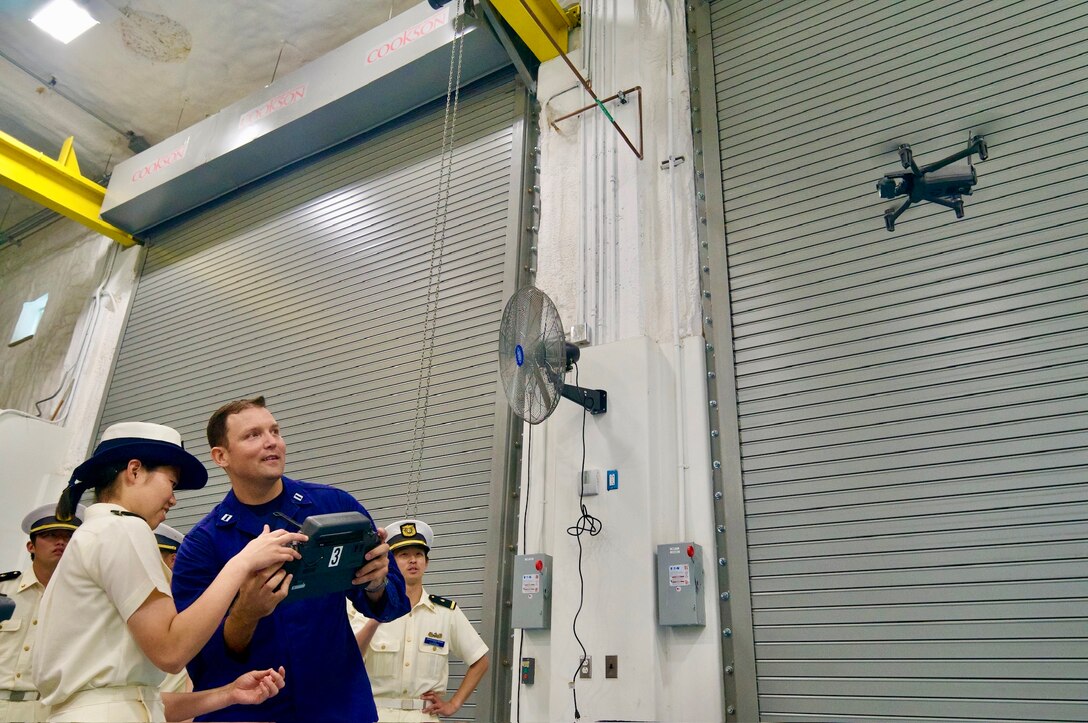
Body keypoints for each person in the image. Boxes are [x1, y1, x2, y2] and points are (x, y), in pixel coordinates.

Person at [32, 422, 306, 722]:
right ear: (134, 471)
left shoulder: (98, 532)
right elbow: (171, 652)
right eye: (171, 484)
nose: (173, 499)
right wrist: (242, 563)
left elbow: (138, 700)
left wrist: (228, 694)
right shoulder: (123, 527)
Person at [171, 396, 410, 723]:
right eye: (253, 435)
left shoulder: (335, 507)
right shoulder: (202, 546)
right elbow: (202, 662)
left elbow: (394, 604)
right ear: (220, 456)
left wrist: (376, 582)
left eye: (275, 431)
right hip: (250, 714)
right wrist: (246, 613)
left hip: (338, 709)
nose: (271, 442)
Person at [351, 519, 490, 722]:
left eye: (418, 555)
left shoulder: (445, 613)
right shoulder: (365, 608)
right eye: (404, 555)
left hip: (422, 716)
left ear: (427, 562)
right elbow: (350, 658)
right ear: (389, 562)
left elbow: (480, 660)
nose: (413, 560)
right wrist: (377, 615)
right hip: (376, 714)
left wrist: (454, 704)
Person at [0, 503, 85, 722]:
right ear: (31, 546)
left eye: (69, 536)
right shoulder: (3, 591)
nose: (60, 542)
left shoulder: (86, 600)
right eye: (50, 535)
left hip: (49, 709)